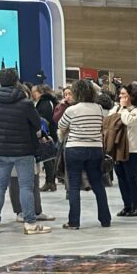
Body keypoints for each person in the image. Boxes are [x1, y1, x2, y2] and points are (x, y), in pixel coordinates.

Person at [0, 68, 50, 235]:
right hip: (23, 150)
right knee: (26, 186)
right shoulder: (25, 103)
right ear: (16, 81)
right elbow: (36, 124)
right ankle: (30, 223)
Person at [57, 79, 111, 229]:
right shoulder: (99, 108)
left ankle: (74, 222)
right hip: (95, 149)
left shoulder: (72, 110)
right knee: (98, 184)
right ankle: (105, 219)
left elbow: (61, 125)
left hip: (75, 148)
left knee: (74, 185)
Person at [115, 84, 137, 217]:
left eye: (123, 94)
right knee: (121, 178)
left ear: (132, 96)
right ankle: (127, 206)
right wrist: (121, 109)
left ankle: (136, 206)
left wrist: (123, 109)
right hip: (119, 148)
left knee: (131, 178)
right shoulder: (117, 108)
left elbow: (128, 121)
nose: (120, 96)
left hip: (135, 150)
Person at [32, 84, 59, 191]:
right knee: (49, 158)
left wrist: (43, 134)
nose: (32, 94)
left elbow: (44, 119)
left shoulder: (45, 103)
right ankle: (50, 181)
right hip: (49, 133)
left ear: (39, 92)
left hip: (47, 134)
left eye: (34, 92)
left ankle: (50, 182)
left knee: (48, 158)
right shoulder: (48, 101)